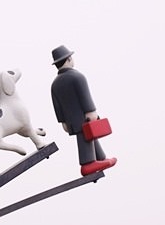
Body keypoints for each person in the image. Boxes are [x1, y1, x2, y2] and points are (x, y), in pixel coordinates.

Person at [50, 45, 117, 176]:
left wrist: (62, 121)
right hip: (83, 117)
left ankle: (101, 158)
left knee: (90, 136)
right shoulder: (77, 76)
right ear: (69, 59)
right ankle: (87, 163)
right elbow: (85, 95)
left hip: (70, 121)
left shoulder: (55, 84)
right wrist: (91, 111)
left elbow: (57, 105)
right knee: (85, 137)